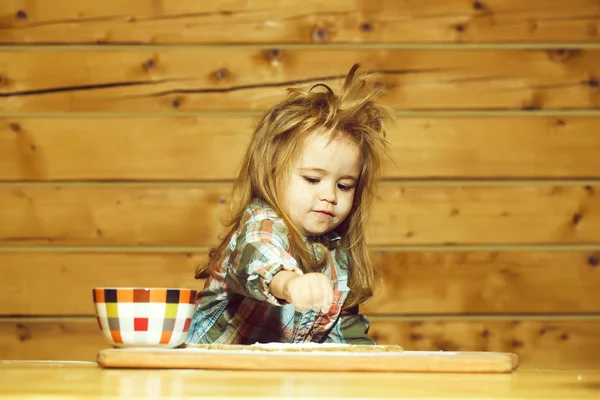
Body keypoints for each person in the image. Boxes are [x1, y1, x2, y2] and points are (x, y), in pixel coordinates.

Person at [186, 64, 392, 345]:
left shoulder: (338, 256)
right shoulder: (262, 222)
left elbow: (343, 331)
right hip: (209, 373)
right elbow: (258, 252)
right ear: (272, 173)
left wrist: (369, 364)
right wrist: (288, 282)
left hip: (274, 380)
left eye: (344, 186)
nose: (330, 196)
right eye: (312, 179)